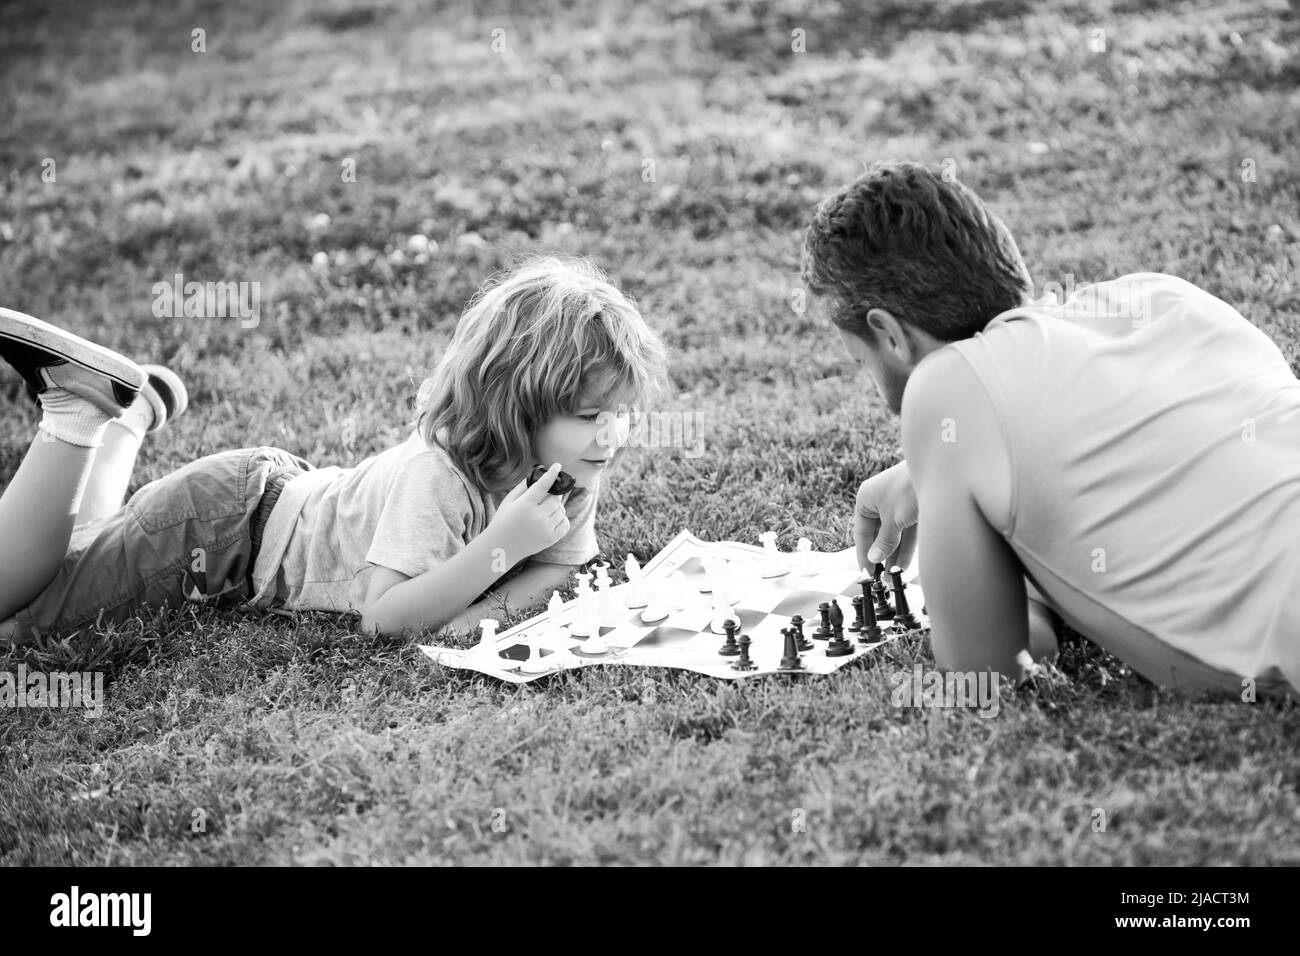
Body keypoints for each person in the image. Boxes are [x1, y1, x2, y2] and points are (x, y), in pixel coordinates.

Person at [802, 160, 1300, 696]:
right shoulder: (1160, 297)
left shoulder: (945, 386)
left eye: (861, 362)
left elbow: (992, 669)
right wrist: (941, 479)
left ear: (890, 334)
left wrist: (973, 518)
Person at [0, 255, 668, 645]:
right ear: (517, 405)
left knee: (75, 551)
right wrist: (502, 547)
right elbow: (383, 620)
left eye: (620, 414)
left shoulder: (573, 467)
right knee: (23, 619)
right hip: (219, 529)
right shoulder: (438, 476)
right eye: (589, 416)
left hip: (261, 501)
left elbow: (563, 563)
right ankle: (77, 413)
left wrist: (472, 622)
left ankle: (124, 413)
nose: (613, 436)